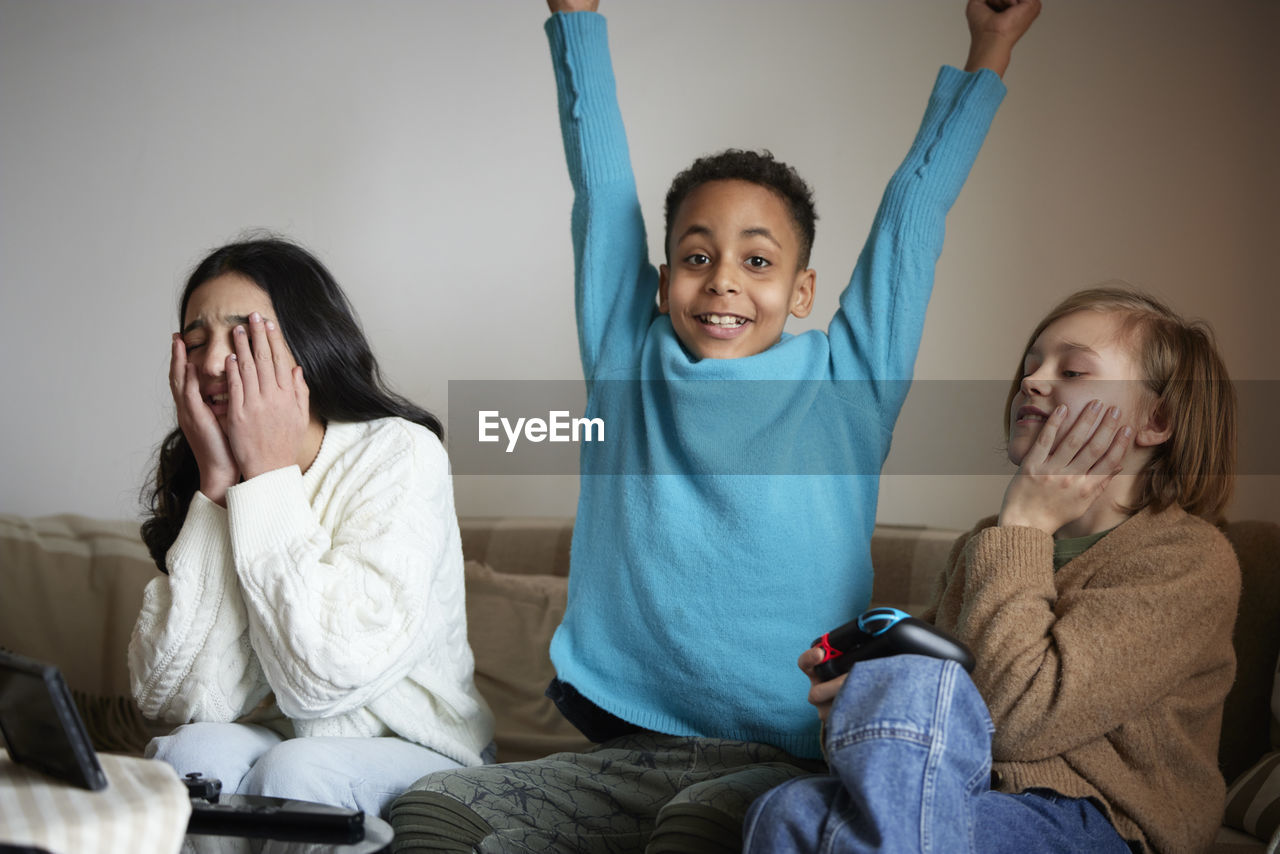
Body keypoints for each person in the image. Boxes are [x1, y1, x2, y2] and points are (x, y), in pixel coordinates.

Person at [392, 2, 1040, 851]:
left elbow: (913, 215)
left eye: (758, 260)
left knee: (698, 831)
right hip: (625, 747)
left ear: (801, 293)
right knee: (431, 811)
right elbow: (603, 190)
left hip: (780, 762)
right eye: (698, 256)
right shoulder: (628, 359)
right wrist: (578, 21)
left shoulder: (849, 383)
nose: (724, 279)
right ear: (663, 283)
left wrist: (991, 48)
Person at [743, 286, 1240, 854]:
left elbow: (1021, 717)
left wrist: (1024, 527)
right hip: (971, 794)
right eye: (1031, 365)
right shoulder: (986, 543)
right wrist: (855, 694)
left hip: (1099, 823)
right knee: (785, 811)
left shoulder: (1186, 561)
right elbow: (941, 711)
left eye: (1073, 371)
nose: (1032, 380)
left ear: (1157, 419)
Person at [129, 237, 494, 818]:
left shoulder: (401, 452)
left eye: (245, 336)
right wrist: (220, 486)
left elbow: (324, 680)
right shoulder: (210, 474)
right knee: (189, 758)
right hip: (282, 736)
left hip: (419, 746)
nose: (212, 361)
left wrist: (268, 473)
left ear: (307, 342)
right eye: (195, 343)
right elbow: (171, 699)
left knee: (297, 773)